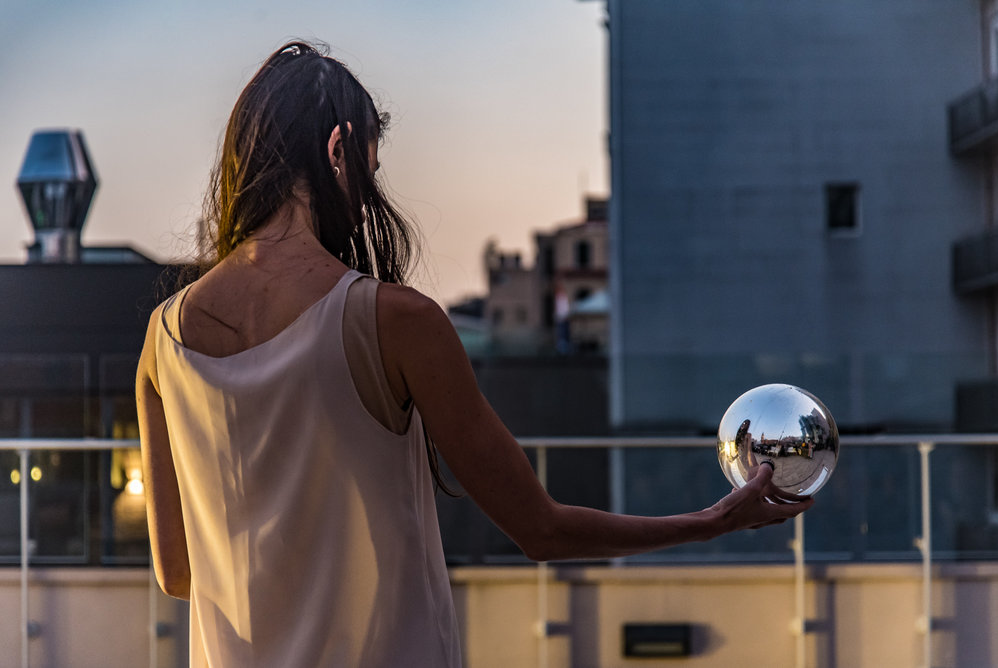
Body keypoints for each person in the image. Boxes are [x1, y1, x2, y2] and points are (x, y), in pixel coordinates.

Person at [136, 41, 813, 668]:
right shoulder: (392, 320)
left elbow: (177, 572)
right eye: (368, 170)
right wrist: (711, 521)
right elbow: (540, 530)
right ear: (339, 149)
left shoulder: (163, 338)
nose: (366, 201)